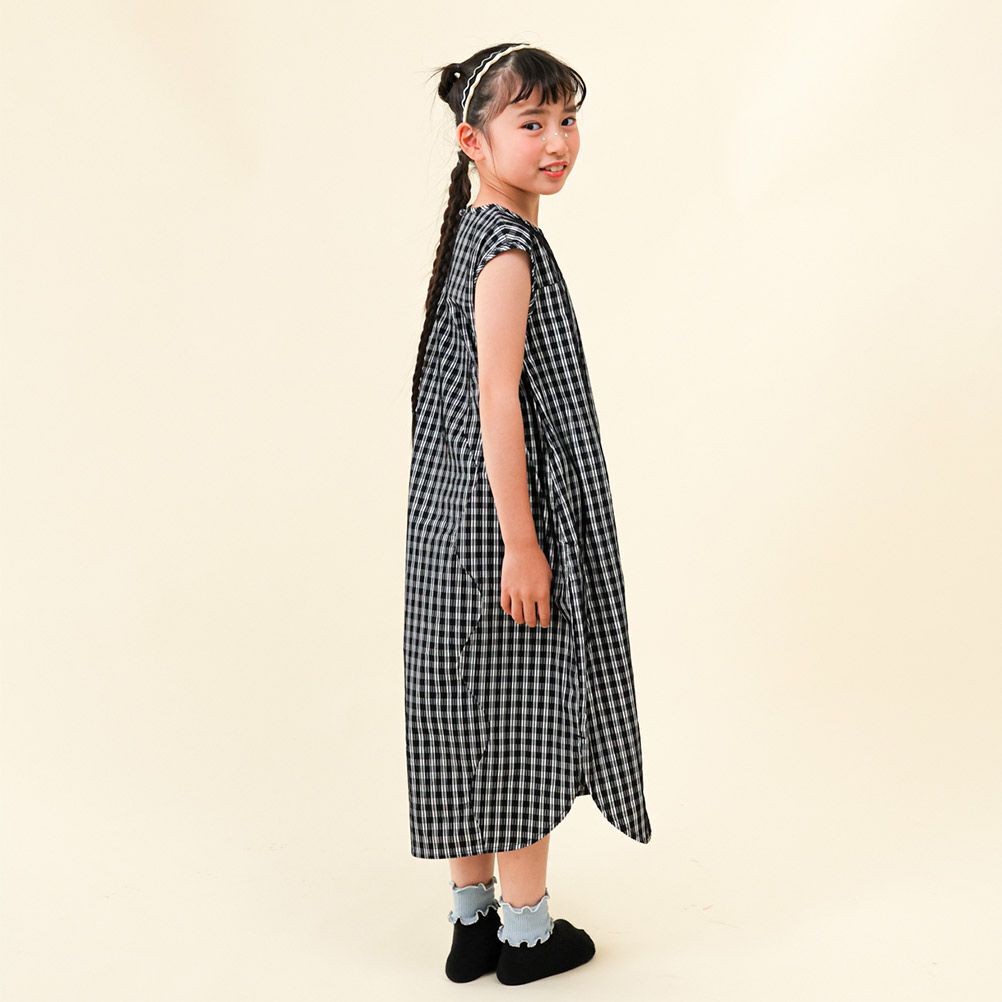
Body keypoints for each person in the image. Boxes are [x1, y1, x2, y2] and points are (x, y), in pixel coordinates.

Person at [404, 42, 653, 986]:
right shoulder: (508, 250)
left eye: (567, 120)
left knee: (468, 714)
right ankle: (526, 934)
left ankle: (471, 921)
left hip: (447, 522)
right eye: (532, 123)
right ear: (474, 141)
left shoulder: (475, 234)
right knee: (520, 717)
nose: (558, 142)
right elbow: (497, 401)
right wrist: (523, 543)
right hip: (498, 525)